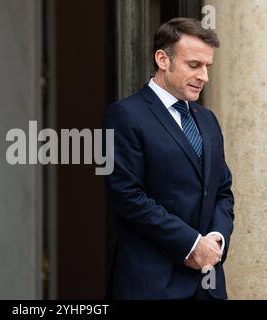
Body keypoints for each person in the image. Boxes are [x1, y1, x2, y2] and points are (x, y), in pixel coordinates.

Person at [103, 17, 234, 300]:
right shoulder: (125, 115)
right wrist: (191, 245)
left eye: (207, 67)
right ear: (163, 59)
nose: (204, 77)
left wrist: (216, 241)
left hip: (208, 286)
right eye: (194, 65)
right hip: (151, 285)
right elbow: (127, 196)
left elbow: (222, 191)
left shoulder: (207, 119)